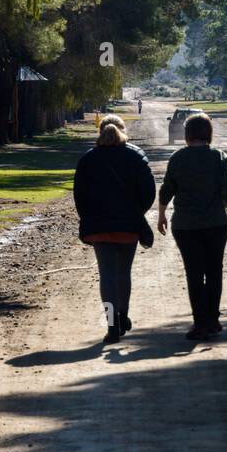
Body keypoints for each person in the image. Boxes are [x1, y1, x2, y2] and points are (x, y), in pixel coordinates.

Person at [158, 113, 227, 341]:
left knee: (194, 273)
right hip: (217, 223)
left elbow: (167, 189)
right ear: (209, 133)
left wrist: (161, 215)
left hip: (186, 226)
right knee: (214, 270)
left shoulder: (177, 158)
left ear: (187, 135)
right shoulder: (219, 157)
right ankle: (213, 319)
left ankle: (199, 322)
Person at [73, 115, 156, 343]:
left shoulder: (88, 159)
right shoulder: (136, 156)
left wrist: (88, 218)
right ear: (123, 130)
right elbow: (149, 192)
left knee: (106, 276)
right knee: (123, 273)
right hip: (128, 227)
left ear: (100, 131)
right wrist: (137, 212)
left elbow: (79, 195)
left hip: (99, 228)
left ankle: (111, 325)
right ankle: (123, 316)